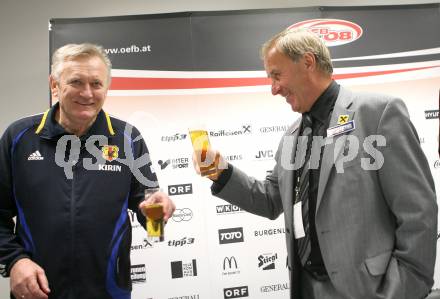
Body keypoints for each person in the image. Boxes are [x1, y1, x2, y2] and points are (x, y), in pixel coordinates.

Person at [193, 29, 437, 299]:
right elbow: (271, 199)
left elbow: (418, 210)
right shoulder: (290, 137)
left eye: (277, 75)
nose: (273, 89)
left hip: (369, 290)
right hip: (307, 288)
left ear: (308, 63)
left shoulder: (378, 114)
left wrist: (405, 287)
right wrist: (221, 173)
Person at [0, 43, 175, 299]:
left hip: (108, 290)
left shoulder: (128, 138)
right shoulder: (19, 137)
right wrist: (14, 261)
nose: (87, 93)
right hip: (37, 290)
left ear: (107, 88)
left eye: (96, 83)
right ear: (54, 84)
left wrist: (157, 212)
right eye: (76, 82)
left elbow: (151, 219)